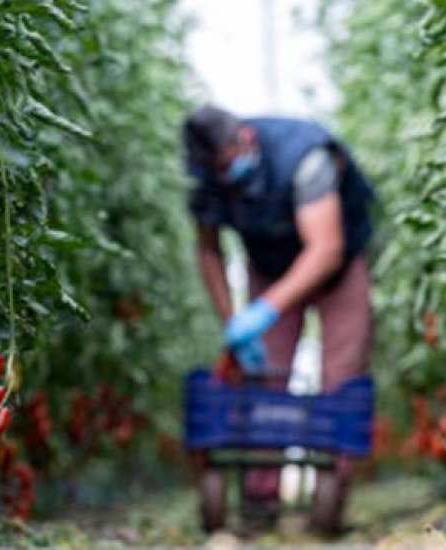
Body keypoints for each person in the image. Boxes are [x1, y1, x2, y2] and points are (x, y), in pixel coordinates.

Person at [182, 105, 375, 532]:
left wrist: (266, 310)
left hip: (338, 266)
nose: (224, 174)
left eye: (228, 163)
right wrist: (234, 320)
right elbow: (208, 250)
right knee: (264, 379)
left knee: (340, 378)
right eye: (216, 169)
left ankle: (331, 500)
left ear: (245, 138)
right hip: (268, 266)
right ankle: (259, 503)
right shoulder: (206, 181)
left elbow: (325, 249)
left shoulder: (306, 158)